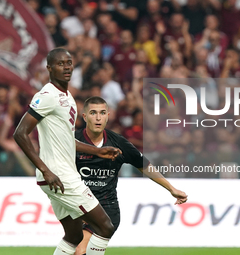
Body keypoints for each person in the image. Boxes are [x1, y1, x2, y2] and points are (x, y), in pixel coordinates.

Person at [13, 48, 123, 255]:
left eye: (69, 63)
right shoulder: (47, 96)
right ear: (49, 68)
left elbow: (67, 140)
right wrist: (46, 170)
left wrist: (97, 151)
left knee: (74, 236)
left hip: (61, 175)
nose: (66, 67)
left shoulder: (67, 96)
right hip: (58, 175)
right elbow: (20, 134)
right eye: (60, 63)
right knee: (105, 227)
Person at [74, 96, 188, 255]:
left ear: (108, 115)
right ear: (84, 116)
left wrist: (171, 189)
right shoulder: (72, 141)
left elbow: (145, 166)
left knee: (79, 250)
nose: (98, 117)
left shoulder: (118, 143)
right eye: (93, 113)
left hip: (106, 210)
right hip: (79, 207)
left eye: (102, 113)